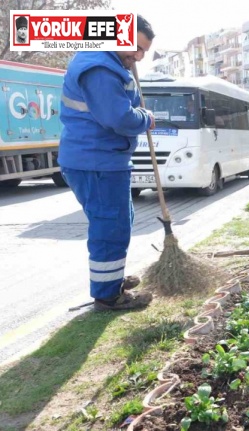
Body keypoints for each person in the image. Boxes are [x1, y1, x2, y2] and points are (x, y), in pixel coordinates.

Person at [58, 15, 156, 311]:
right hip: (96, 162)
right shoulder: (99, 68)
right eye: (135, 48)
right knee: (109, 226)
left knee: (117, 223)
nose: (138, 56)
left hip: (103, 160)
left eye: (144, 52)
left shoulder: (109, 63)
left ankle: (110, 280)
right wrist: (146, 118)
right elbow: (119, 118)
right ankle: (107, 296)